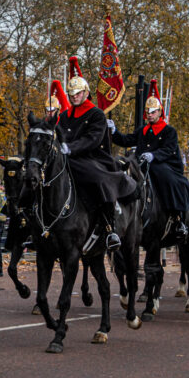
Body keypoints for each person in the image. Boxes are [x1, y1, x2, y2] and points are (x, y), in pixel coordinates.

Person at [56, 56, 136, 252]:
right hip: (68, 158)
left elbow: (92, 139)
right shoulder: (64, 116)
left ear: (86, 92)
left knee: (99, 180)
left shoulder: (96, 114)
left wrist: (71, 148)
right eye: (71, 94)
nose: (74, 97)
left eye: (78, 93)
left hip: (92, 158)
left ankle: (110, 228)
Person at [110, 79, 189, 243]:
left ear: (159, 112)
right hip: (142, 164)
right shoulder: (143, 130)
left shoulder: (169, 131)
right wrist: (114, 132)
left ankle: (178, 218)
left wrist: (154, 155)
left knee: (170, 180)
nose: (150, 115)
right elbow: (127, 140)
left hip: (163, 164)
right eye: (148, 112)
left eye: (153, 112)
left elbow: (169, 149)